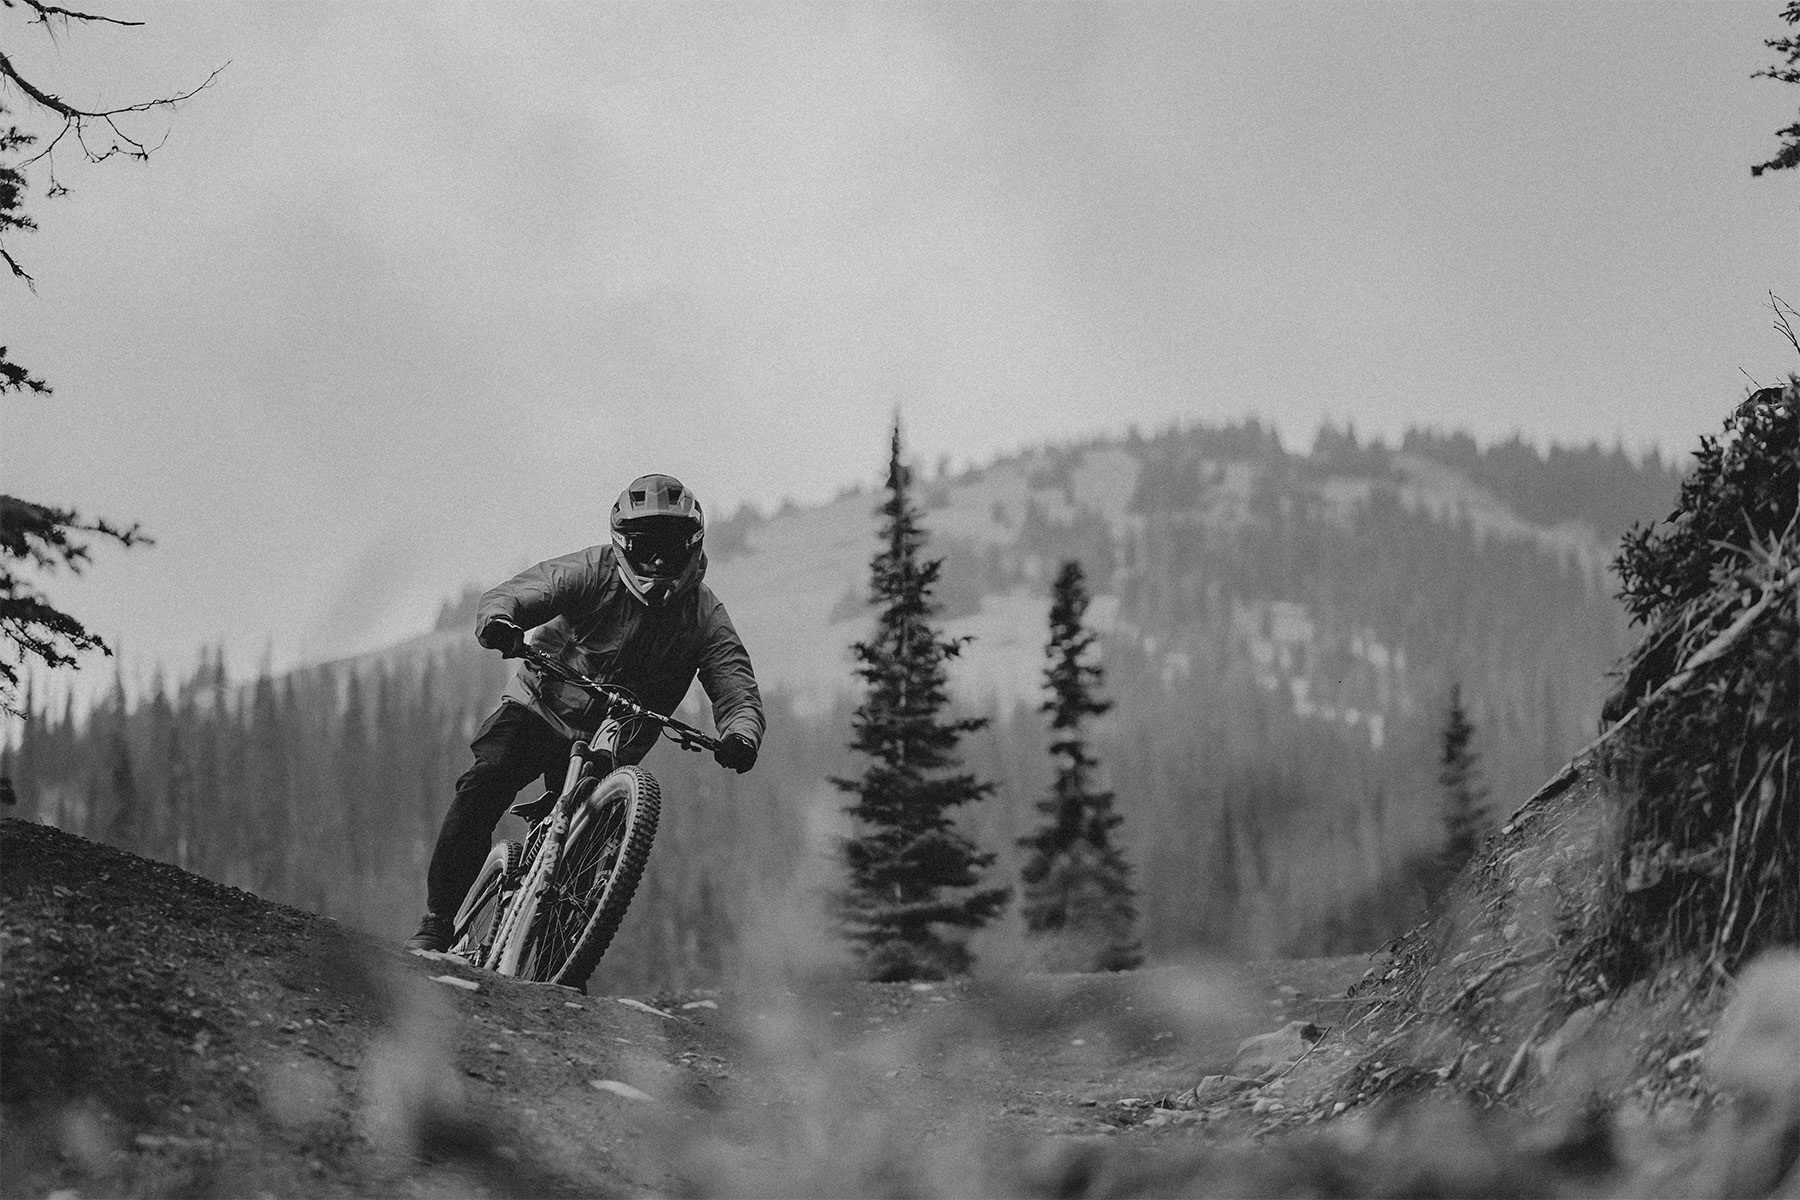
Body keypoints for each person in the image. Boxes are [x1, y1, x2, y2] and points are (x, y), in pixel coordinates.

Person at [406, 473, 764, 953]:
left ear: (692, 545)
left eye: (670, 547)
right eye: (645, 546)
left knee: (591, 850)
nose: (658, 561)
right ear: (623, 544)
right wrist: (500, 622)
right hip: (541, 706)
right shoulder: (593, 570)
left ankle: (559, 961)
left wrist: (740, 734)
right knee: (485, 784)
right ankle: (437, 921)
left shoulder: (703, 614)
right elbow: (520, 593)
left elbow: (735, 684)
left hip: (611, 739)